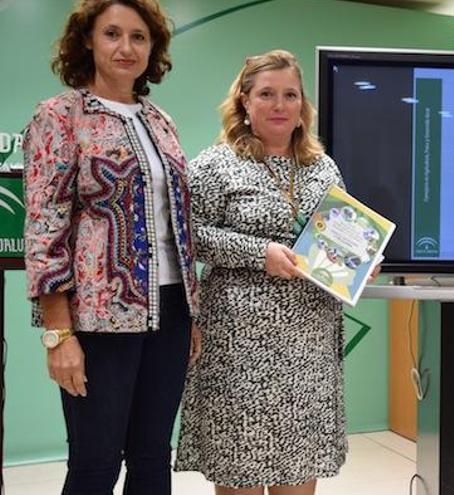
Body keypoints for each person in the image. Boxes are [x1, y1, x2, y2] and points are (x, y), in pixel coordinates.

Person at [21, 1, 200, 493]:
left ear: (153, 48)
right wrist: (58, 334)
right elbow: (45, 228)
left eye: (139, 37)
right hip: (98, 317)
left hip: (170, 311)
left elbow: (175, 225)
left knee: (152, 459)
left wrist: (191, 313)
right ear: (87, 41)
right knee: (95, 464)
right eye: (112, 34)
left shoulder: (161, 121)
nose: (126, 48)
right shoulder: (59, 117)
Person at [174, 49, 349, 495]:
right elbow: (186, 235)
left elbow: (341, 238)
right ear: (244, 102)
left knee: (298, 473)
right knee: (242, 473)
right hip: (239, 349)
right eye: (267, 94)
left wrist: (358, 260)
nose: (279, 105)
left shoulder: (322, 167)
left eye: (290, 94)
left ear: (302, 106)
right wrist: (258, 253)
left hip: (309, 349)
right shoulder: (215, 164)